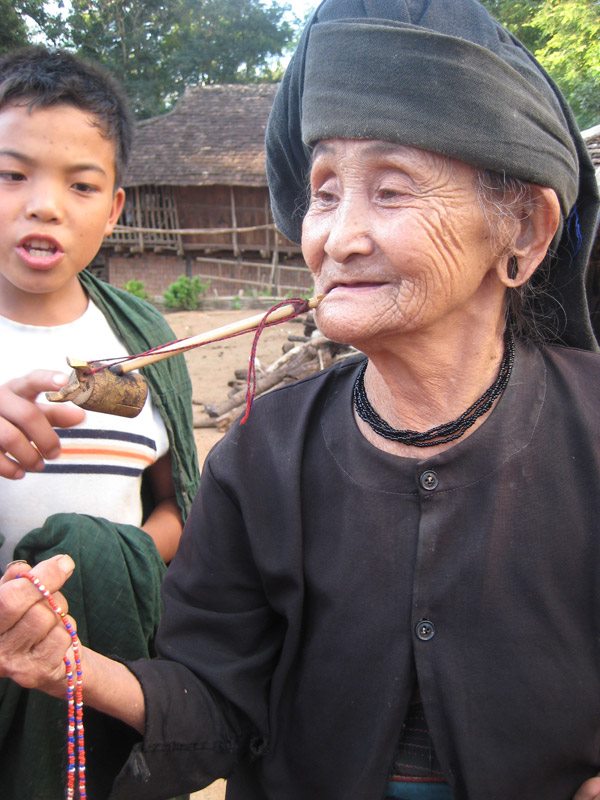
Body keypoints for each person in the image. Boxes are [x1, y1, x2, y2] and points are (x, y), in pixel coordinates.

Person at [1, 1, 600, 798]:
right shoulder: (260, 454)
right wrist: (71, 668)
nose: (336, 238)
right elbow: (215, 698)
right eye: (323, 193)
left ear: (524, 229)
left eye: (390, 191)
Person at [0, 47, 199, 798]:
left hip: (105, 666)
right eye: (11, 174)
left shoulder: (149, 343)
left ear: (114, 207)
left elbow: (177, 506)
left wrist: (106, 566)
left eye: (80, 185)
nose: (43, 204)